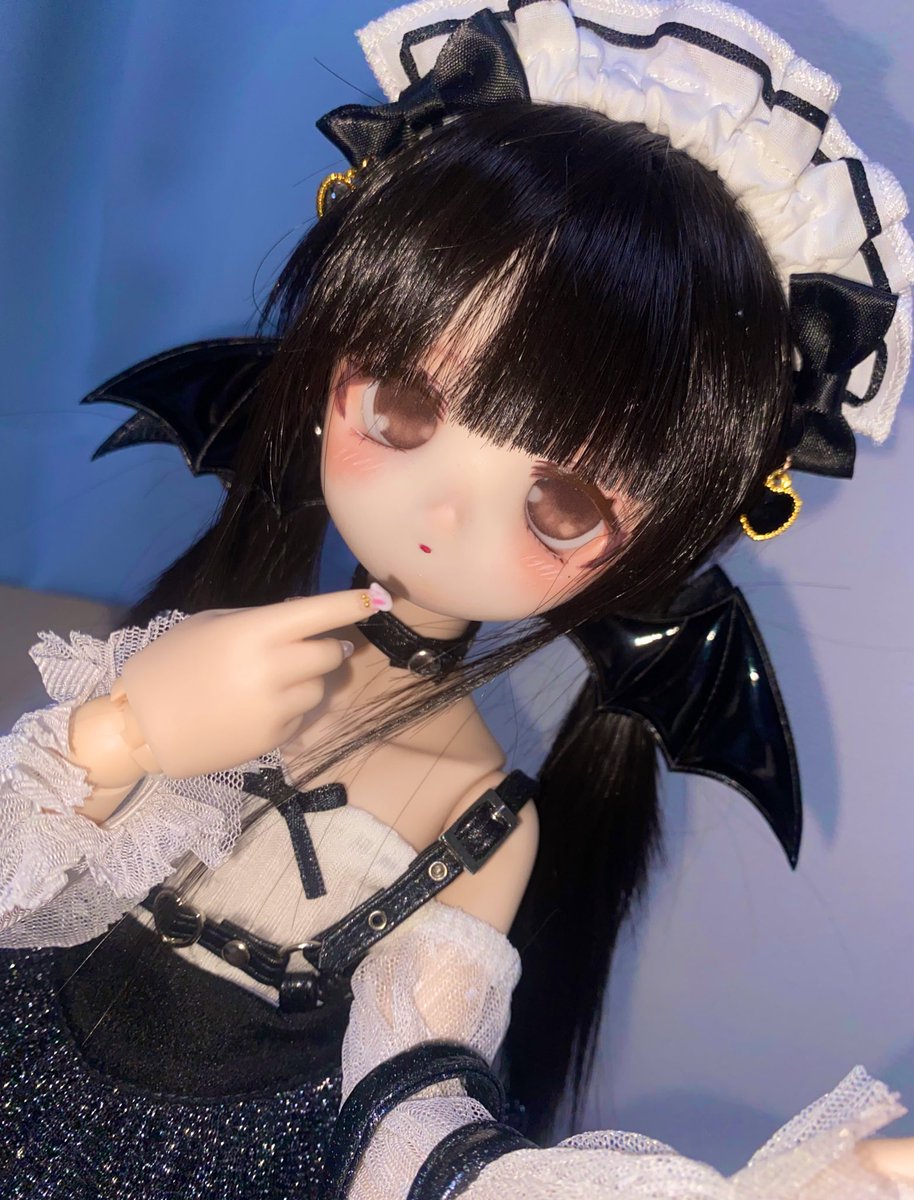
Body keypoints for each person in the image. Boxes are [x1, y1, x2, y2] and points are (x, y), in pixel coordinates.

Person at [1, 1, 913, 1197]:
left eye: (560, 502)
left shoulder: (482, 818)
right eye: (402, 405)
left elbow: (416, 1126)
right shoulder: (204, 652)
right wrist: (110, 738)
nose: (441, 512)